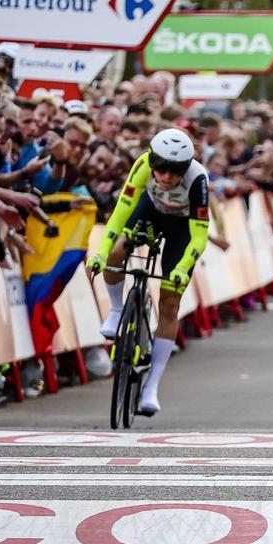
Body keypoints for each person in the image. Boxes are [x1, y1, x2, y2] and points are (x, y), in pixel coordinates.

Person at [87, 128, 210, 416]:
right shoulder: (142, 165)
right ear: (152, 161)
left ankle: (151, 386)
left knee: (169, 303)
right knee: (119, 249)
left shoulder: (198, 180)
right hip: (151, 214)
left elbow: (200, 236)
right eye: (161, 169)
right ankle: (117, 310)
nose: (166, 177)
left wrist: (181, 268)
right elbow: (119, 213)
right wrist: (102, 253)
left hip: (182, 227)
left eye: (174, 172)